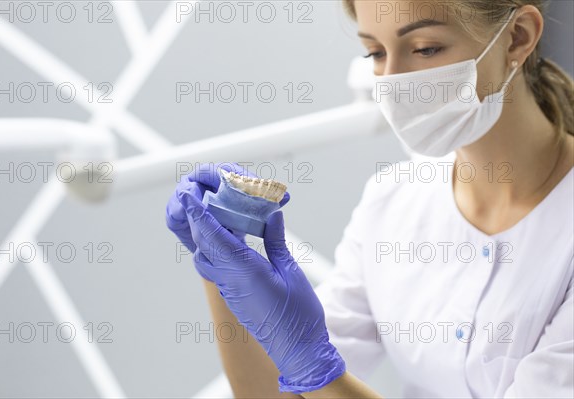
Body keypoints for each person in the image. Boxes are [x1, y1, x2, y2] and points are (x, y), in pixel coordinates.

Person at [166, 1, 574, 397]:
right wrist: (219, 259)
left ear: (517, 37)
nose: (393, 80)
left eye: (425, 48)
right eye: (375, 53)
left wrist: (312, 366)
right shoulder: (392, 202)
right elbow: (269, 396)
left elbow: (313, 382)